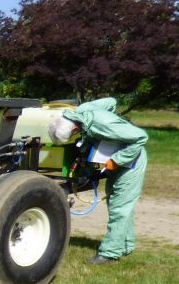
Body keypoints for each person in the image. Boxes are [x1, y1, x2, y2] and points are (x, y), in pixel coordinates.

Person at [49, 97, 148, 265]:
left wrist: (116, 160)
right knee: (119, 204)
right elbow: (111, 102)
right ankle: (125, 246)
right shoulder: (84, 109)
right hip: (117, 159)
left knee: (120, 208)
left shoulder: (101, 126)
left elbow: (140, 137)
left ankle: (109, 254)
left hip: (131, 162)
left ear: (74, 128)